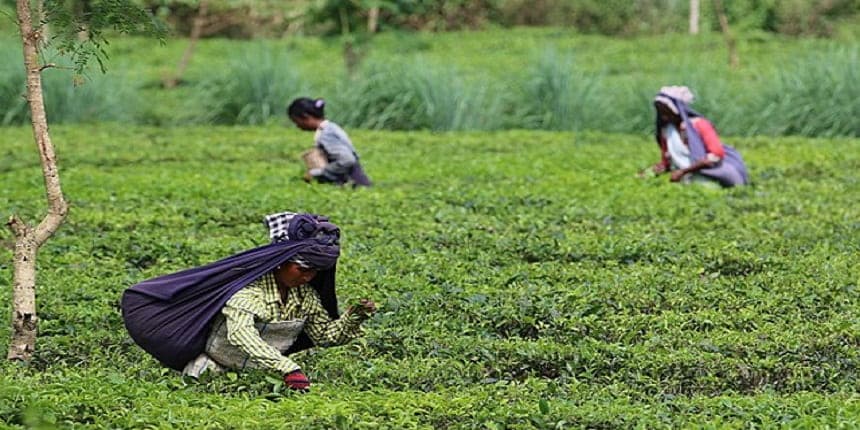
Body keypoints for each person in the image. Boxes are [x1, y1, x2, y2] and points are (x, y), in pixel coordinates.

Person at [122, 212, 376, 392]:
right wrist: (288, 368)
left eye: (314, 272)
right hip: (213, 370)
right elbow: (242, 335)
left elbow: (324, 336)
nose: (309, 277)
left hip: (269, 377)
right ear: (280, 262)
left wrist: (355, 316)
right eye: (303, 269)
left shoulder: (305, 297)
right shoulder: (247, 294)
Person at [645, 86, 748, 187]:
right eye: (660, 111)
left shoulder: (700, 124)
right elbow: (667, 162)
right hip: (684, 177)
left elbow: (716, 155)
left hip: (712, 174)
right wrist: (651, 171)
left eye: (667, 111)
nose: (663, 116)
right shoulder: (667, 131)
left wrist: (684, 171)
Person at [287, 97, 372, 188]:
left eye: (296, 121)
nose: (297, 126)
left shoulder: (327, 134)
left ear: (306, 117)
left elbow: (347, 160)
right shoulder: (330, 127)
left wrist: (317, 173)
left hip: (354, 184)